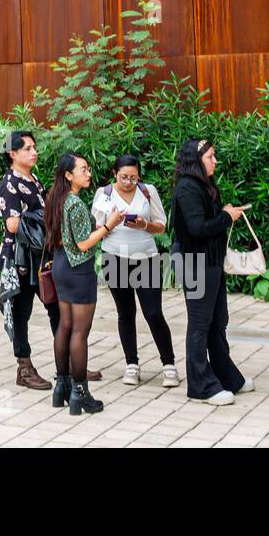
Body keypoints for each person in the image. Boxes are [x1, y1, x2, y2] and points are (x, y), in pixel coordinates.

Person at [0, 131, 100, 390]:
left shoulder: (33, 179)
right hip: (20, 258)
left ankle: (70, 363)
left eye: (34, 147)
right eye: (28, 148)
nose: (34, 152)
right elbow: (12, 224)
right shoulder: (8, 183)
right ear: (13, 154)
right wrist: (43, 221)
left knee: (57, 308)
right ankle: (24, 368)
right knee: (21, 313)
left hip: (43, 257)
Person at [170, 138, 250, 405]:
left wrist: (226, 214)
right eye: (210, 157)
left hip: (210, 260)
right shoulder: (187, 188)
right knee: (200, 324)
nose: (215, 161)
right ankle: (201, 386)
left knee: (218, 320)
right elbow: (197, 228)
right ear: (196, 161)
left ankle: (227, 377)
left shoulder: (205, 184)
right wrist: (227, 217)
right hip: (194, 261)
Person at [90, 154, 178, 388]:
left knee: (153, 313)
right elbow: (97, 229)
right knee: (125, 313)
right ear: (114, 174)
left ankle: (169, 365)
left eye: (133, 177)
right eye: (123, 177)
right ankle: (132, 364)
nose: (129, 182)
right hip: (114, 258)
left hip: (145, 258)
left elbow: (161, 226)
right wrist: (111, 223)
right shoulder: (104, 194)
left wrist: (144, 225)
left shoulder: (148, 191)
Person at [46, 152, 122, 415]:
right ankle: (80, 393)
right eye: (83, 169)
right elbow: (83, 243)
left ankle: (61, 388)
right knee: (80, 332)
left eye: (88, 169)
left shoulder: (56, 198)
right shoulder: (75, 203)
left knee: (65, 327)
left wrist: (97, 226)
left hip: (60, 266)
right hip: (78, 270)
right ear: (68, 175)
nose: (88, 173)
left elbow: (65, 237)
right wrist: (109, 226)